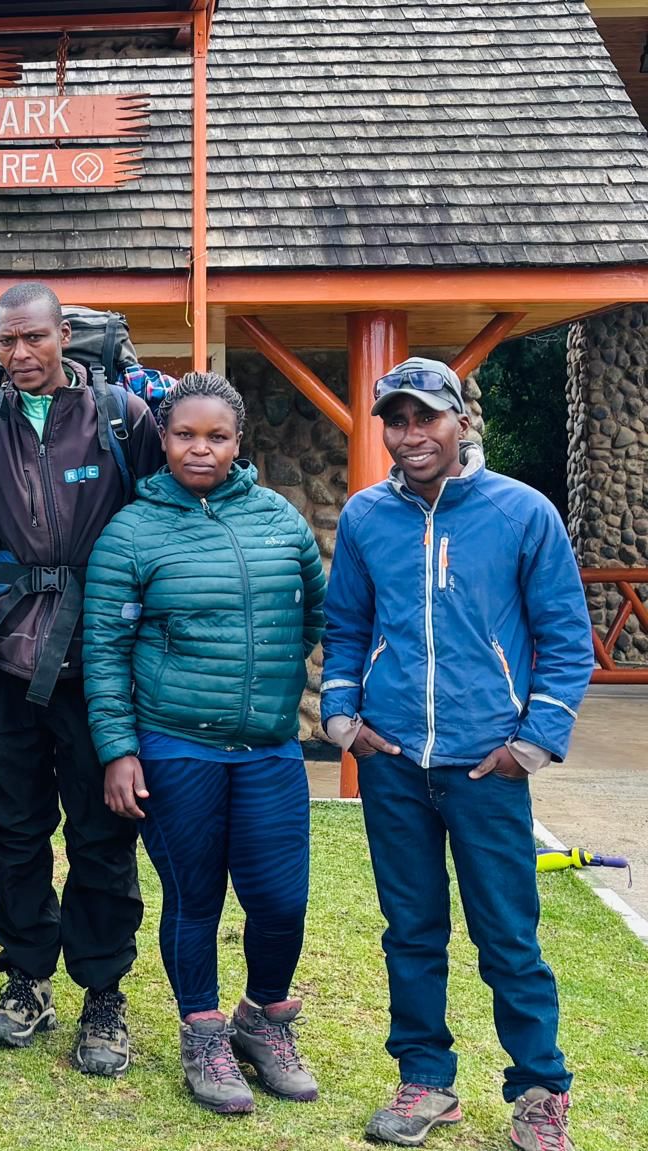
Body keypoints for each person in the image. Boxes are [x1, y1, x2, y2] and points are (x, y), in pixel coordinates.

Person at [321, 358, 592, 1150]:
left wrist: (531, 744)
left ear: (461, 421)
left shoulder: (522, 512)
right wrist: (344, 720)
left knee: (508, 934)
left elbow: (565, 637)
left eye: (426, 417)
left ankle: (539, 1088)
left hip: (486, 768)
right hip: (394, 763)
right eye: (396, 421)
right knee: (410, 929)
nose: (411, 435)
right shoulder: (367, 516)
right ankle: (426, 1079)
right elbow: (346, 626)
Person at [83, 372, 326, 1113]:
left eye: (216, 436)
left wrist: (267, 683)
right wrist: (119, 749)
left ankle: (263, 1019)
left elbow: (313, 616)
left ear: (237, 441)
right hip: (176, 747)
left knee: (280, 900)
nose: (200, 448)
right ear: (162, 438)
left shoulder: (280, 520)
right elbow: (104, 650)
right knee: (195, 898)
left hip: (270, 750)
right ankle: (204, 1033)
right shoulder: (132, 531)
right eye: (185, 434)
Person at [0, 282, 162, 1075]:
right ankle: (26, 976)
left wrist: (144, 649)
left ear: (63, 335)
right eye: (6, 341)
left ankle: (103, 992)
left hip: (99, 654)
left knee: (103, 830)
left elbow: (156, 527)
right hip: (8, 655)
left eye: (34, 338)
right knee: (11, 825)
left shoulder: (122, 417)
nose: (20, 354)